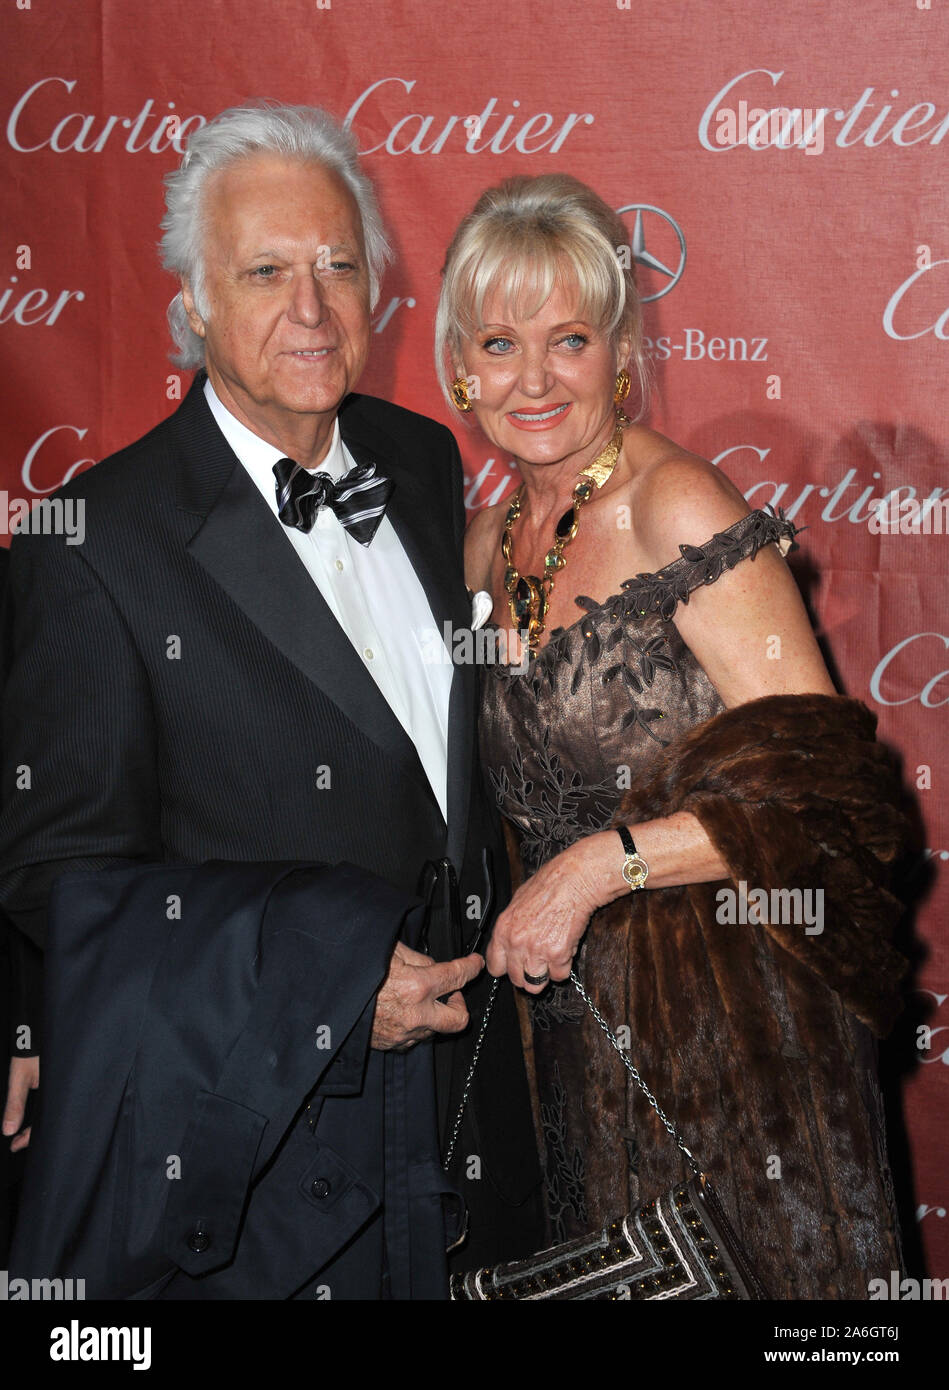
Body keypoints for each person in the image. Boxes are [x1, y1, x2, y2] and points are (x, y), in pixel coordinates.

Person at [0, 104, 542, 1297]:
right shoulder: (90, 545)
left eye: (337, 264)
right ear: (191, 305)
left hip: (481, 1105)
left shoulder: (421, 458)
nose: (311, 307)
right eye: (264, 271)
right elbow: (59, 879)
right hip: (280, 1157)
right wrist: (332, 987)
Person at [440, 172, 909, 1299]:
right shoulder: (482, 539)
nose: (535, 378)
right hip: (573, 1031)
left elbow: (836, 803)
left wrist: (602, 865)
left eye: (569, 339)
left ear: (619, 351)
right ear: (461, 364)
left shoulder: (679, 509)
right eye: (500, 343)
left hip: (733, 1015)